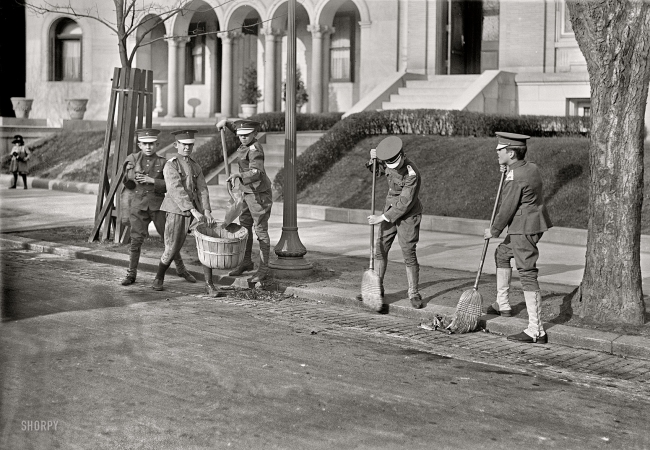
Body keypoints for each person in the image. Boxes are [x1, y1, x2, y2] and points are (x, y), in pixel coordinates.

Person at [484, 132, 553, 344]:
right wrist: (507, 171)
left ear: (511, 153)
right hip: (531, 224)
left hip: (523, 228)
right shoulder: (529, 167)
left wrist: (493, 231)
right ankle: (502, 304)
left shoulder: (515, 178)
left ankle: (536, 330)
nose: (497, 152)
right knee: (502, 254)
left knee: (527, 273)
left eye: (500, 149)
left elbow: (507, 208)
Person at [120, 128, 196, 286]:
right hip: (138, 206)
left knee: (170, 240)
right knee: (135, 241)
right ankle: (131, 274)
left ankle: (181, 269)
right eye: (145, 144)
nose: (148, 147)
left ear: (157, 144)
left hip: (158, 206)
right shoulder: (132, 159)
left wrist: (151, 180)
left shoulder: (164, 162)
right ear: (139, 144)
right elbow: (128, 184)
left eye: (151, 144)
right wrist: (128, 174)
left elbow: (168, 186)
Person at [153, 129, 224, 297]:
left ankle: (209, 284)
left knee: (207, 245)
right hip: (177, 211)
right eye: (184, 145)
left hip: (196, 213)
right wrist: (193, 210)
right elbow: (175, 190)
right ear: (176, 145)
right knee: (171, 248)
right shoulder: (171, 165)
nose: (187, 148)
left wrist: (206, 211)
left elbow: (202, 189)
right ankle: (159, 276)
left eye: (190, 145)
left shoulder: (195, 165)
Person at [366, 136, 423, 311]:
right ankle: (377, 289)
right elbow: (378, 171)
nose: (393, 168)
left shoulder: (412, 173)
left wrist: (381, 218)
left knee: (408, 252)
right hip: (390, 208)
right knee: (380, 248)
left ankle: (413, 293)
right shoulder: (389, 162)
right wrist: (373, 160)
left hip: (408, 214)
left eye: (395, 164)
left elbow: (405, 202)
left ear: (402, 155)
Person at [215, 119, 273, 284]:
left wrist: (239, 175)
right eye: (240, 136)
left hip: (259, 195)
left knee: (260, 230)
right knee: (245, 228)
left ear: (254, 134)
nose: (242, 138)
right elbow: (239, 130)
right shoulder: (245, 140)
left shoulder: (255, 149)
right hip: (247, 192)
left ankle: (263, 269)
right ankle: (246, 262)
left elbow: (257, 172)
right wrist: (226, 123)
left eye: (246, 135)